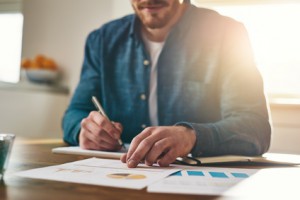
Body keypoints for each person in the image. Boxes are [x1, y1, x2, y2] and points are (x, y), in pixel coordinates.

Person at [62, 0, 271, 168]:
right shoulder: (102, 40)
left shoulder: (228, 34)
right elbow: (75, 112)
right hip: (118, 175)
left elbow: (255, 127)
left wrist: (191, 137)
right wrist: (83, 132)